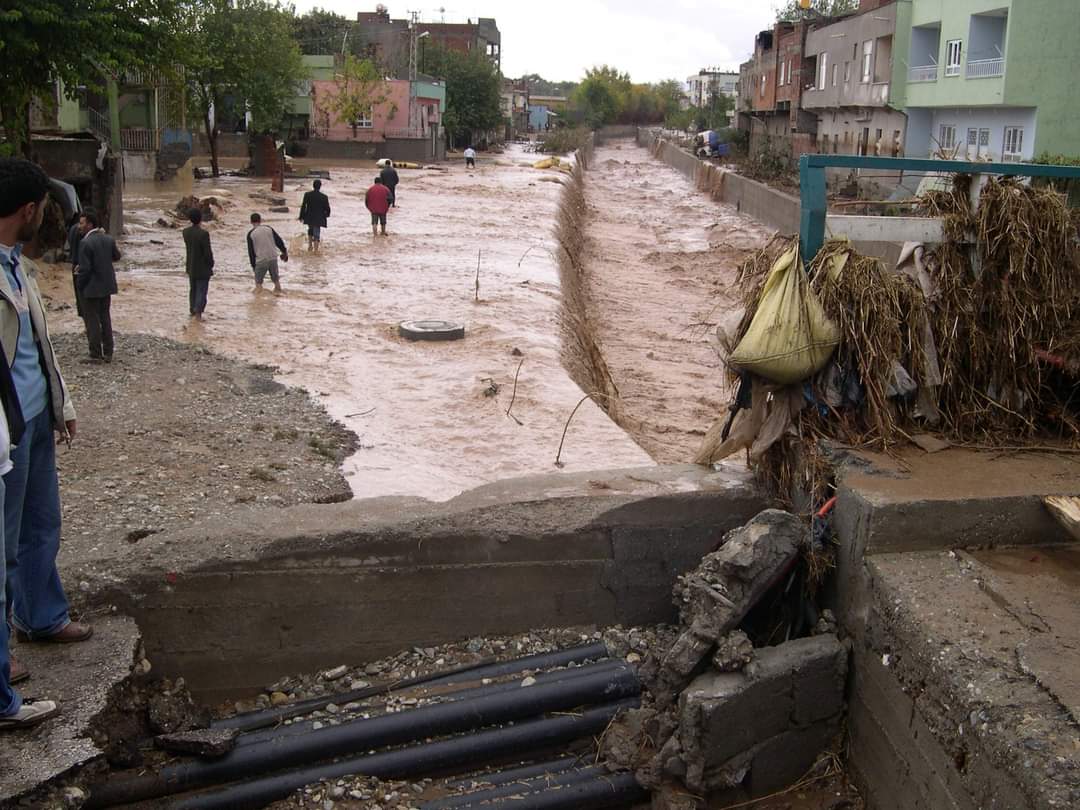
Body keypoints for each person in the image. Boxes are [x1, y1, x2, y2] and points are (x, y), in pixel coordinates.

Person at [0, 158, 87, 732]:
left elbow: (36, 346)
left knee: (41, 524)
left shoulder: (17, 267)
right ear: (29, 211)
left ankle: (40, 617)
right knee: (1, 549)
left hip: (33, 418)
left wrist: (61, 405)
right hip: (4, 432)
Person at [75, 209, 120, 363]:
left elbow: (85, 269)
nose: (79, 226)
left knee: (92, 320)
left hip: (91, 288)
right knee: (105, 317)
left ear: (89, 224)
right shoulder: (108, 238)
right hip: (107, 286)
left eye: (81, 223)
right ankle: (108, 352)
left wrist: (79, 283)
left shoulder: (85, 243)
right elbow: (117, 256)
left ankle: (95, 354)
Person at [182, 207, 214, 320]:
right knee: (201, 291)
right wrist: (211, 264)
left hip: (191, 266)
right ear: (201, 219)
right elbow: (207, 253)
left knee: (193, 289)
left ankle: (192, 310)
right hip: (203, 268)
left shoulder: (185, 232)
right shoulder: (203, 234)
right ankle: (198, 314)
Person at [246, 213, 288, 293]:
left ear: (251, 222)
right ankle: (277, 299)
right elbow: (278, 241)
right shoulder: (269, 228)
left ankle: (258, 302)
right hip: (273, 258)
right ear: (260, 220)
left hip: (261, 260)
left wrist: (253, 266)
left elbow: (251, 252)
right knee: (276, 282)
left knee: (258, 285)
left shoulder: (250, 234)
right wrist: (284, 251)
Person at [66, 211, 89, 318]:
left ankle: (84, 317)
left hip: (74, 264)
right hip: (83, 265)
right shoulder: (83, 232)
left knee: (79, 294)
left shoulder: (72, 229)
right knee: (86, 296)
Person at [298, 179, 330, 253]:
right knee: (317, 232)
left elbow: (303, 206)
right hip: (319, 217)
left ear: (313, 186)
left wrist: (301, 216)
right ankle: (316, 250)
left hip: (309, 216)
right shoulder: (324, 197)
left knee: (310, 229)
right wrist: (326, 215)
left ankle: (310, 246)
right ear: (320, 187)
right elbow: (327, 208)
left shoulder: (307, 194)